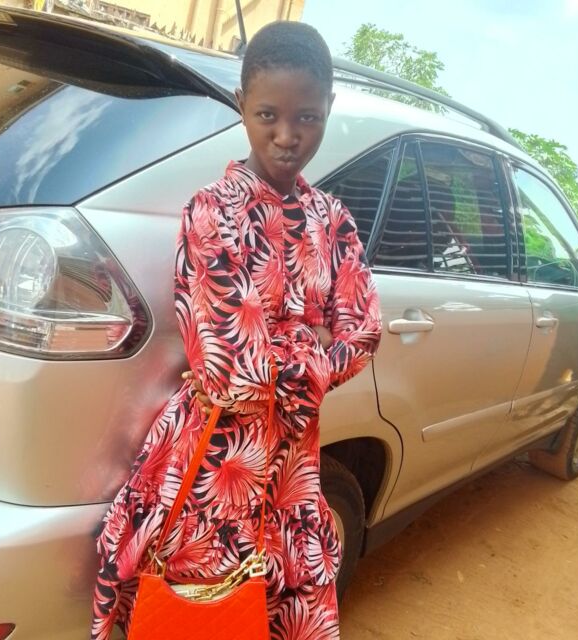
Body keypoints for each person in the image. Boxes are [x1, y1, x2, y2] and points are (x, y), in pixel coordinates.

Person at [91, 21, 381, 640]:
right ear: (242, 105)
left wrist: (281, 348)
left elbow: (363, 334)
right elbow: (228, 370)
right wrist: (313, 344)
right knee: (202, 617)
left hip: (294, 474)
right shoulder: (212, 211)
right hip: (214, 464)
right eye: (268, 114)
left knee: (279, 617)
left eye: (307, 117)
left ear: (329, 108)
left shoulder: (334, 221)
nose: (287, 136)